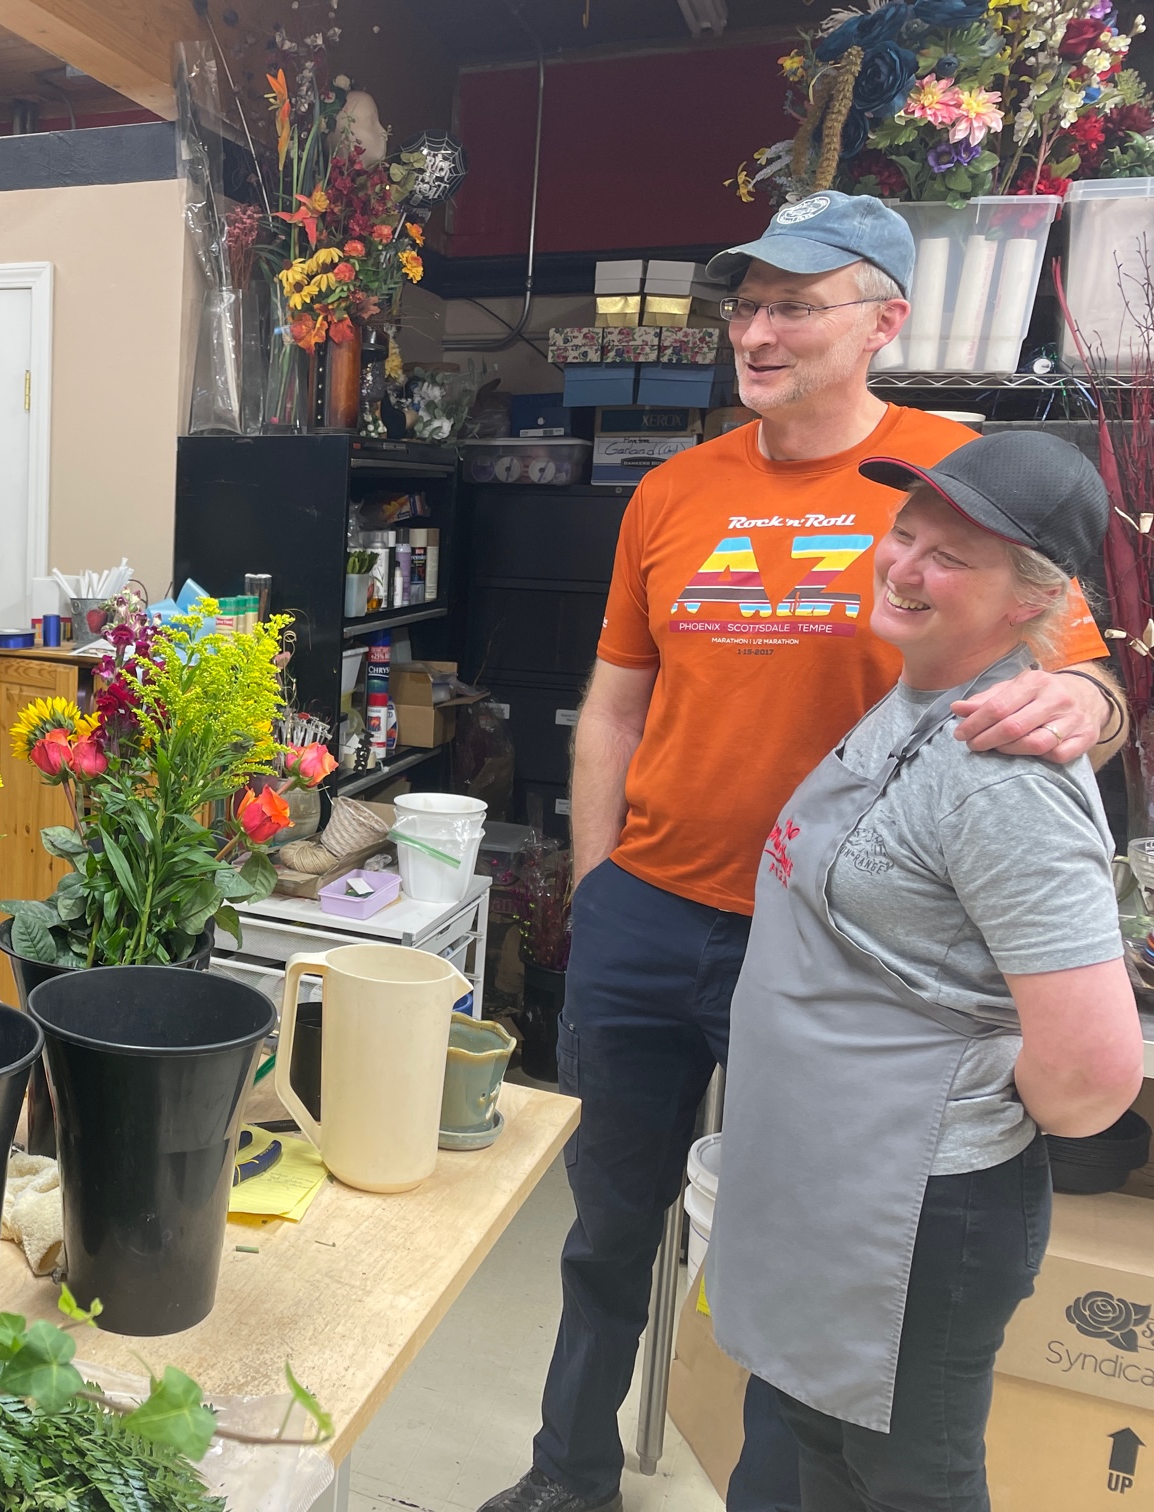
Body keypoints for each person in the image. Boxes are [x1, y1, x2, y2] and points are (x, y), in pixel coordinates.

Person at [480, 194, 1127, 1512]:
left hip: (838, 966)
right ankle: (569, 1473)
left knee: (805, 1242)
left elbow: (1060, 679)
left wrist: (1099, 705)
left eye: (795, 303)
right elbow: (614, 704)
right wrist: (597, 891)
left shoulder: (949, 482)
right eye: (747, 304)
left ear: (887, 320)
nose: (757, 331)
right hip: (652, 914)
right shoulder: (674, 490)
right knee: (610, 1222)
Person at [707, 430, 1146, 1511]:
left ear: (1026, 600)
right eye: (904, 534)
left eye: (950, 555)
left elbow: (1093, 1078)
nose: (904, 566)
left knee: (912, 1482)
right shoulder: (917, 698)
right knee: (822, 1441)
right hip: (840, 1178)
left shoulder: (1005, 782)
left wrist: (955, 1105)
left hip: (919, 1209)